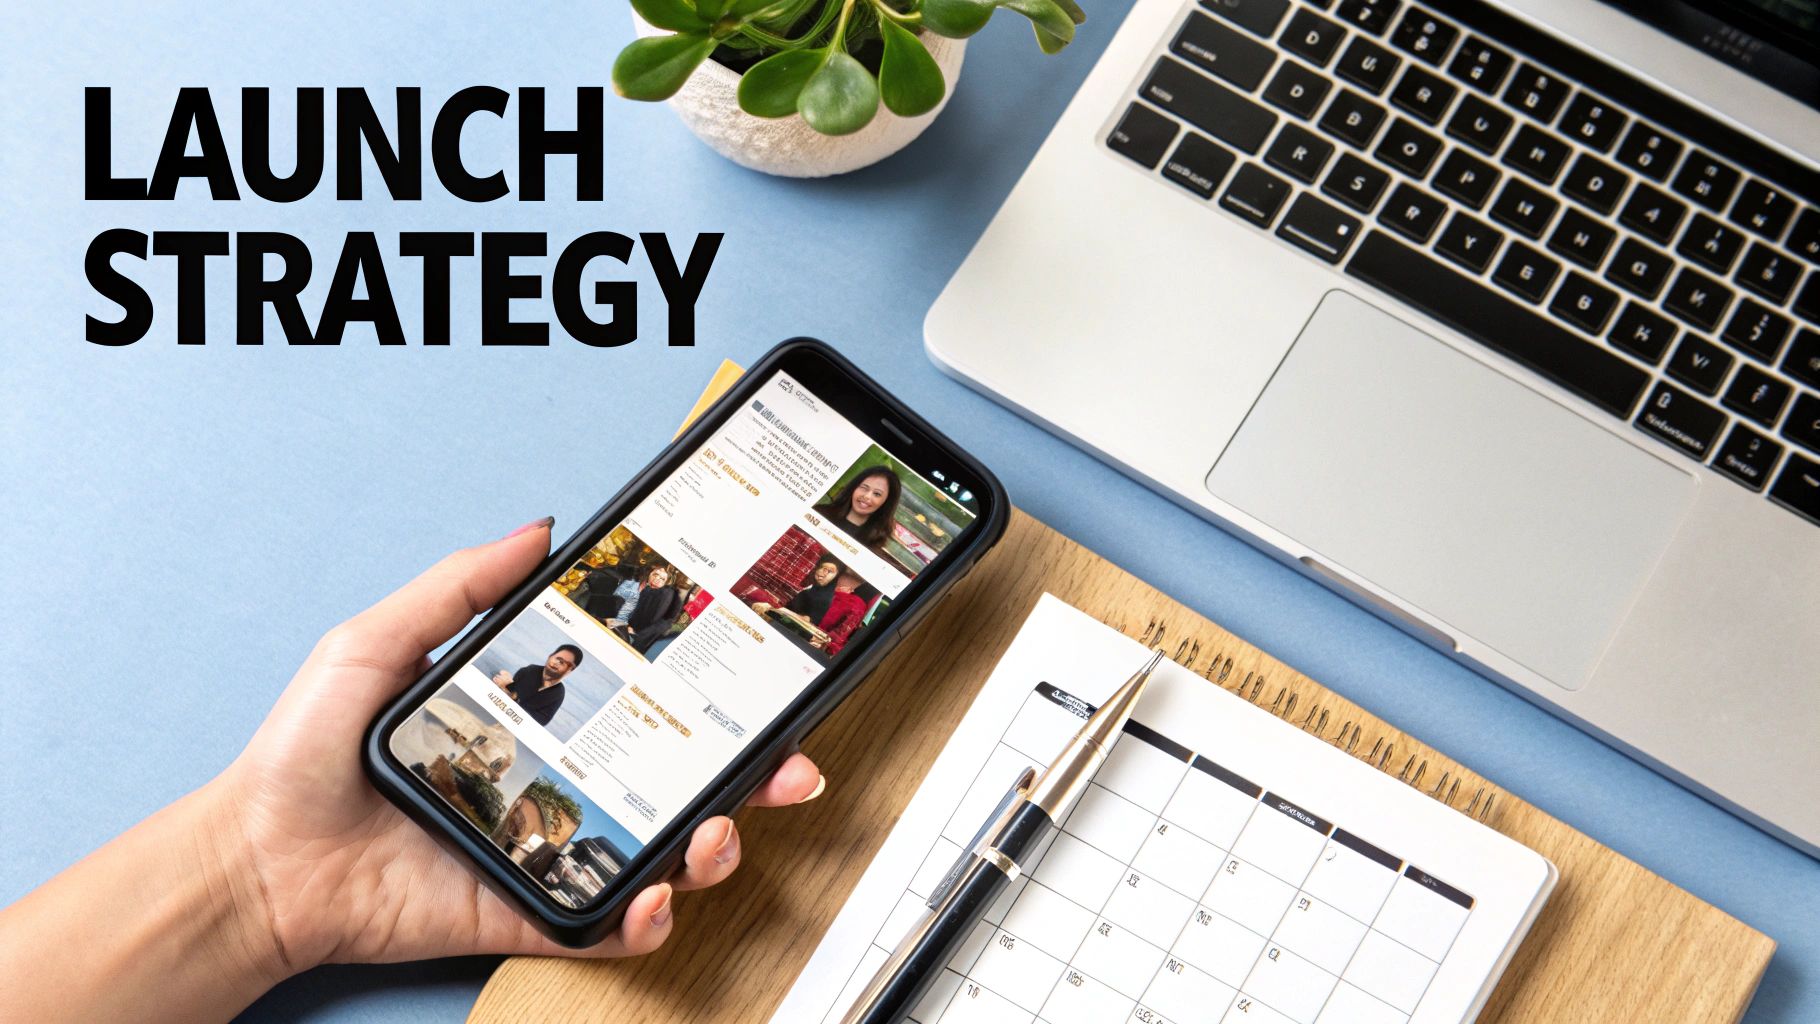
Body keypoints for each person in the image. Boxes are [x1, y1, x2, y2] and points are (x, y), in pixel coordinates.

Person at [0, 518, 825, 1022]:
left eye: (571, 660)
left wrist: (259, 892)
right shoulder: (544, 662)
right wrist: (254, 877)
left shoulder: (556, 695)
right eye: (564, 653)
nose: (565, 660)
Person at [814, 466, 901, 553]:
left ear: (886, 502)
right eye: (864, 487)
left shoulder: (874, 544)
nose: (867, 496)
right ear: (854, 487)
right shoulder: (819, 513)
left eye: (877, 494)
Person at [492, 643, 581, 727]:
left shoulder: (558, 693)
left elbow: (541, 721)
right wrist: (506, 686)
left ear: (569, 670)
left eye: (562, 663)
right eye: (557, 658)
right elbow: (508, 694)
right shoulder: (529, 671)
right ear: (550, 656)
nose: (556, 663)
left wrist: (510, 690)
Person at [604, 565, 683, 654]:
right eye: (655, 574)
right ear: (649, 574)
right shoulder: (633, 585)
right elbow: (614, 604)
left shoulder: (661, 600)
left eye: (662, 579)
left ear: (666, 584)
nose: (656, 579)